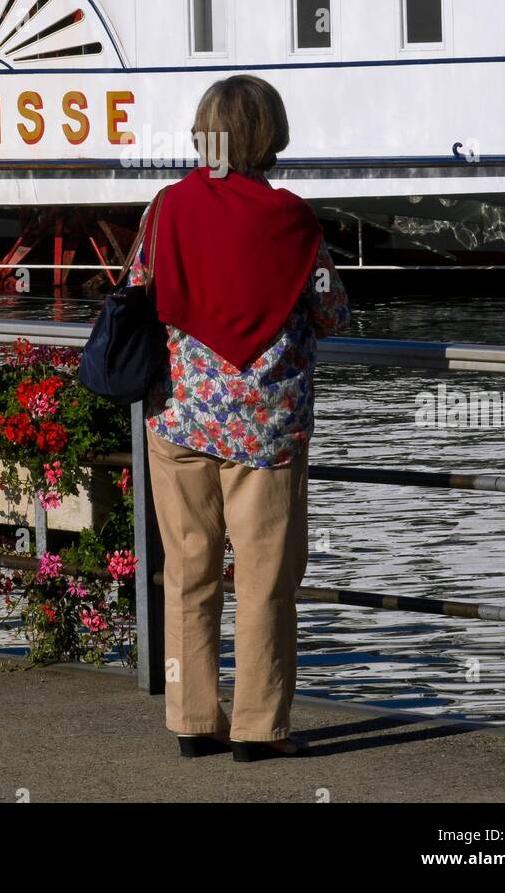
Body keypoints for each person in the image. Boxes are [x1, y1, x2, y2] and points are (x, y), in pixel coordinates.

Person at [126, 73, 350, 762]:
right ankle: (257, 729)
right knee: (263, 583)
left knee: (187, 573)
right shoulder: (293, 221)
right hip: (264, 427)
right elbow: (329, 311)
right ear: (270, 136)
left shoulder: (164, 209)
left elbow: (139, 289)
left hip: (179, 417)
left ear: (205, 133)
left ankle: (192, 722)